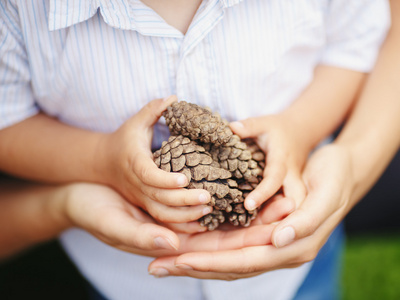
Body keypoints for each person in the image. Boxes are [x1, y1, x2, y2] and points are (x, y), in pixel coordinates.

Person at [0, 0, 390, 299]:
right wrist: (101, 160)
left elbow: (351, 46)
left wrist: (300, 129)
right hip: (130, 282)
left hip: (292, 270)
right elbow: (8, 120)